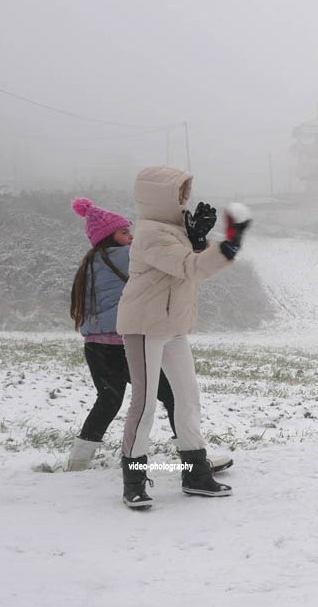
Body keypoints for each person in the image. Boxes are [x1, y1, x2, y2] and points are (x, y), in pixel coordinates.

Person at [65, 198, 233, 474]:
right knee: (172, 395)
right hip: (128, 343)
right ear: (108, 237)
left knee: (108, 399)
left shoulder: (92, 261)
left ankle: (78, 461)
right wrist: (192, 238)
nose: (131, 238)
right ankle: (193, 458)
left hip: (97, 346)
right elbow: (169, 259)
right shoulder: (124, 256)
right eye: (123, 233)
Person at [116, 165, 251, 510]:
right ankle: (134, 481)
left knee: (188, 399)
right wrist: (228, 245)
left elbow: (186, 264)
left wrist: (198, 240)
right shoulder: (150, 234)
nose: (183, 199)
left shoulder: (172, 231)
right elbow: (189, 267)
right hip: (145, 327)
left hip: (173, 327)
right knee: (144, 405)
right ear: (158, 196)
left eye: (184, 191)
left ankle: (195, 474)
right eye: (178, 192)